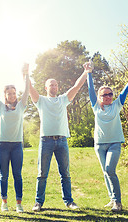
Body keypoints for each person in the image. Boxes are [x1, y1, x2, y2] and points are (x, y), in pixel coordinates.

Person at [30, 61, 93, 212]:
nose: (54, 87)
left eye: (55, 84)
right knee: (42, 173)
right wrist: (25, 74)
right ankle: (38, 203)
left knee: (65, 173)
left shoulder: (63, 99)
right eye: (51, 85)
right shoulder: (41, 101)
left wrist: (86, 72)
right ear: (46, 87)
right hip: (46, 141)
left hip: (62, 141)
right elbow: (30, 89)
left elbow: (77, 87)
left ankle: (69, 201)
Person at [87, 65, 128, 212]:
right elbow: (90, 89)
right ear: (99, 97)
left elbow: (126, 89)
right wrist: (89, 73)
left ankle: (118, 202)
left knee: (110, 169)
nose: (108, 96)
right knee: (105, 172)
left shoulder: (117, 104)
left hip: (114, 144)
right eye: (105, 95)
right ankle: (112, 198)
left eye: (110, 94)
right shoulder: (95, 106)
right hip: (99, 145)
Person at [0, 63, 30, 213]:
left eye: (14, 93)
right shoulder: (0, 107)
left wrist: (26, 74)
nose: (12, 96)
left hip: (16, 146)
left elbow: (27, 90)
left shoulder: (21, 106)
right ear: (5, 95)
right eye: (9, 93)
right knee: (4, 176)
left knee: (17, 175)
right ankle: (4, 202)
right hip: (2, 145)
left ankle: (19, 204)